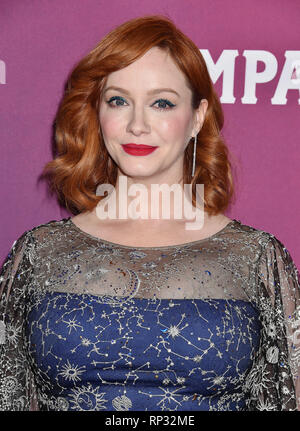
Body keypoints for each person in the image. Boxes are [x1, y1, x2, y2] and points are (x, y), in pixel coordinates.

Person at [0, 15, 299, 412]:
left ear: (196, 117)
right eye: (118, 101)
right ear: (98, 113)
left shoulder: (256, 258)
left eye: (161, 103)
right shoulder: (38, 254)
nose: (137, 125)